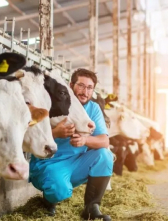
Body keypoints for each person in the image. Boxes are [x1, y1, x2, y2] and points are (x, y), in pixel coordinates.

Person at [29, 68, 113, 221]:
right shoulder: (51, 101)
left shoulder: (93, 108)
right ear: (71, 85)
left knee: (105, 155)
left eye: (89, 88)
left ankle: (91, 207)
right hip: (48, 164)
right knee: (60, 192)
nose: (84, 92)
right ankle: (49, 200)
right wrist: (55, 133)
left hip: (76, 163)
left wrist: (85, 140)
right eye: (81, 85)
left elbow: (104, 140)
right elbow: (28, 132)